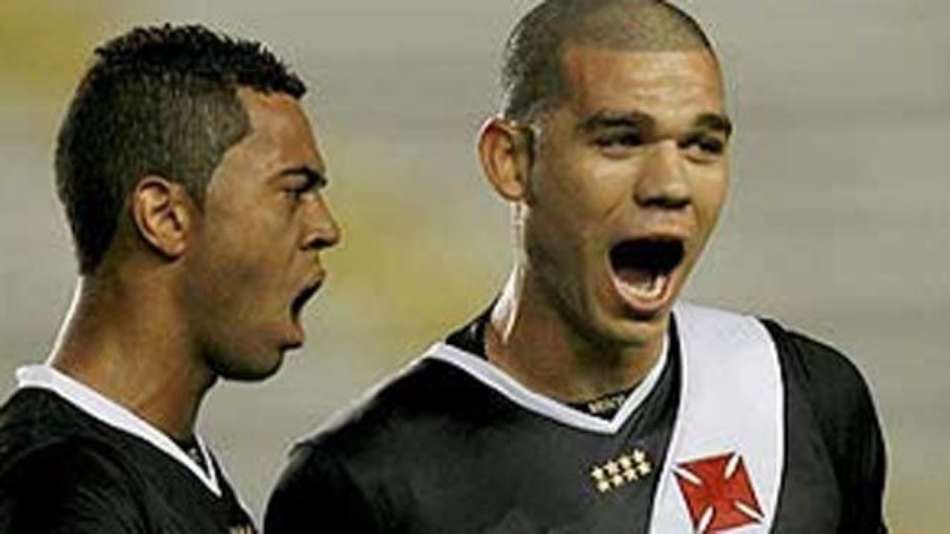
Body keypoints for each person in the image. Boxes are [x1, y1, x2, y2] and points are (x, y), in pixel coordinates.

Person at [265, 1, 886, 532]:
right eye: (620, 139)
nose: (670, 185)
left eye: (702, 145)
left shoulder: (803, 394)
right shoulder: (365, 480)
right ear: (511, 161)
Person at [0, 24, 340, 533]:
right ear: (166, 218)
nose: (325, 229)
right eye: (295, 191)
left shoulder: (160, 468)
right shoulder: (60, 492)